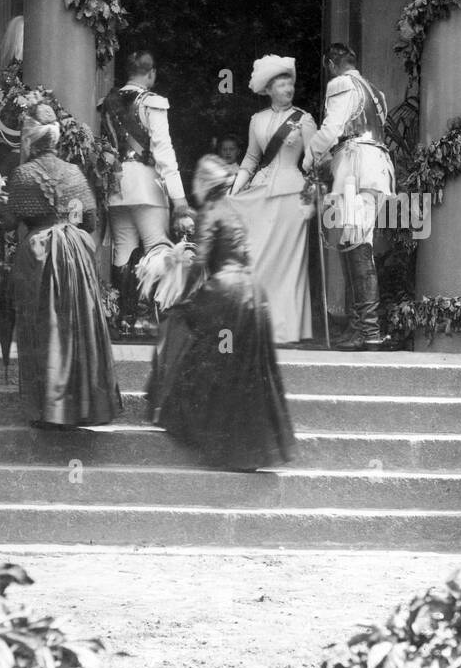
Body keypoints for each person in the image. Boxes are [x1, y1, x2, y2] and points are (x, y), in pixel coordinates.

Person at [147, 155, 295, 470]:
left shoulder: (210, 213)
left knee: (202, 349)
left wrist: (182, 295)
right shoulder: (233, 213)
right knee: (240, 368)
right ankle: (242, 447)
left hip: (226, 295)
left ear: (203, 185)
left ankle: (196, 426)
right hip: (252, 294)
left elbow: (200, 261)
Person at [0, 104, 121, 429]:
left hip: (39, 256)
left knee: (42, 327)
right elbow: (88, 221)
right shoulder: (74, 174)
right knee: (76, 326)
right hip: (74, 253)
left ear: (30, 140)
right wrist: (65, 227)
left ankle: (47, 410)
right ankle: (81, 406)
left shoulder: (23, 174)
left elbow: (8, 222)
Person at [303, 43, 395, 351]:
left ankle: (368, 332)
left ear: (331, 63)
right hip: (374, 166)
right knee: (354, 242)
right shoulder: (375, 91)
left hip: (357, 167)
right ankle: (361, 327)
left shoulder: (341, 83)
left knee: (357, 245)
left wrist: (310, 156)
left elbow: (332, 129)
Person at [99, 50, 193, 336]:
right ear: (151, 73)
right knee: (157, 247)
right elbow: (164, 151)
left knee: (124, 250)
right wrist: (179, 198)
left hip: (116, 185)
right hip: (146, 184)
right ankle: (148, 318)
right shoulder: (152, 102)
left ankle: (124, 319)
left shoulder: (108, 102)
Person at [229, 55, 317, 345]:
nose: (287, 88)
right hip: (260, 193)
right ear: (268, 89)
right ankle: (257, 326)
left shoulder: (304, 119)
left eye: (289, 82)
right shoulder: (258, 120)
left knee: (288, 264)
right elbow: (251, 158)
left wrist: (311, 194)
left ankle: (284, 330)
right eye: (281, 84)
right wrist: (234, 191)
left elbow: (316, 162)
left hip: (293, 197)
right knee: (255, 257)